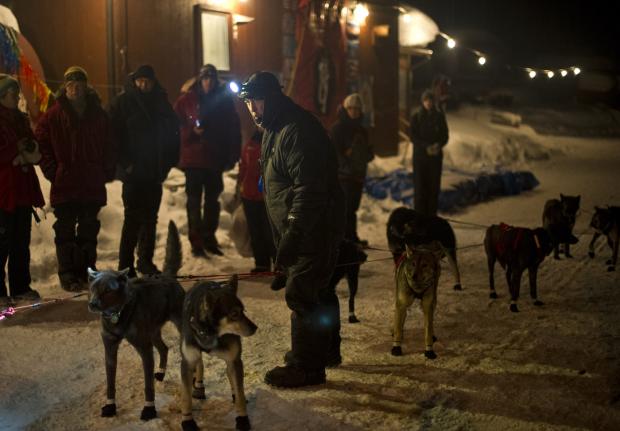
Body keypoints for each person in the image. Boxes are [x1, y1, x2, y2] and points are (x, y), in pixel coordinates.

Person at [239, 71, 345, 388]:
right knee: (319, 290)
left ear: (271, 98)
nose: (253, 110)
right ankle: (323, 352)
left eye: (256, 101)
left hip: (313, 228)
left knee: (302, 294)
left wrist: (294, 234)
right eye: (247, 104)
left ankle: (307, 367)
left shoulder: (297, 130)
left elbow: (309, 190)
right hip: (306, 228)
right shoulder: (275, 128)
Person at [36, 66, 116, 291]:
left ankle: (87, 271)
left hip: (91, 181)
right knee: (65, 231)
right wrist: (53, 170)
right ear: (65, 87)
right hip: (65, 183)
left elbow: (110, 144)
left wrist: (106, 169)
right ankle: (68, 273)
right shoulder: (53, 114)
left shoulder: (98, 115)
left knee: (89, 230)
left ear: (86, 86)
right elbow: (40, 141)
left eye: (79, 85)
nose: (75, 89)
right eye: (71, 85)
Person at [109, 65, 179, 278]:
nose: (143, 85)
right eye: (140, 81)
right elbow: (112, 136)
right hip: (133, 173)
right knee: (132, 220)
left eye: (147, 81)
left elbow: (173, 134)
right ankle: (125, 265)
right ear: (135, 81)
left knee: (150, 219)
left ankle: (145, 262)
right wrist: (125, 163)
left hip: (154, 173)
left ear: (153, 81)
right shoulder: (123, 102)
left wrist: (167, 163)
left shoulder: (161, 102)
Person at [174, 64, 241, 257]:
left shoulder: (224, 101)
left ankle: (208, 237)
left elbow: (233, 129)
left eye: (211, 78)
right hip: (194, 160)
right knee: (194, 201)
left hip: (214, 158)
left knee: (212, 201)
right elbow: (174, 125)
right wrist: (190, 133)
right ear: (200, 80)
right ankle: (197, 241)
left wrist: (232, 154)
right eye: (205, 78)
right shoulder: (186, 100)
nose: (208, 82)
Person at [0, 74, 45, 306]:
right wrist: (13, 150)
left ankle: (20, 286)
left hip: (22, 189)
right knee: (1, 243)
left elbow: (31, 144)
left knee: (20, 241)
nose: (17, 97)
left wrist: (30, 147)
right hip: (3, 192)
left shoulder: (20, 119)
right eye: (12, 93)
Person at [330, 93, 373, 244]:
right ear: (345, 108)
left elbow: (367, 152)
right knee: (344, 209)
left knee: (352, 209)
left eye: (357, 108)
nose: (354, 111)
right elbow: (334, 153)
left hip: (358, 175)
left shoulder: (362, 130)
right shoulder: (337, 129)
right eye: (351, 108)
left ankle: (351, 238)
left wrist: (365, 154)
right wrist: (346, 163)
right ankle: (344, 240)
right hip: (343, 177)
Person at [238, 128, 275, 273]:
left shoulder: (275, 140)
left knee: (270, 232)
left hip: (268, 195)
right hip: (249, 194)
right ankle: (261, 264)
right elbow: (244, 166)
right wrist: (241, 181)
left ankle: (278, 263)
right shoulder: (251, 142)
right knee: (255, 231)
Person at [409, 89, 449, 217]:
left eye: (431, 100)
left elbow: (445, 135)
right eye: (426, 100)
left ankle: (432, 218)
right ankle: (420, 217)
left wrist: (439, 145)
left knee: (433, 189)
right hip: (420, 159)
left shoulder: (439, 117)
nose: (428, 103)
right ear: (422, 102)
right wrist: (425, 146)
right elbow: (412, 136)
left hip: (435, 160)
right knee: (420, 189)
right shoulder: (416, 117)